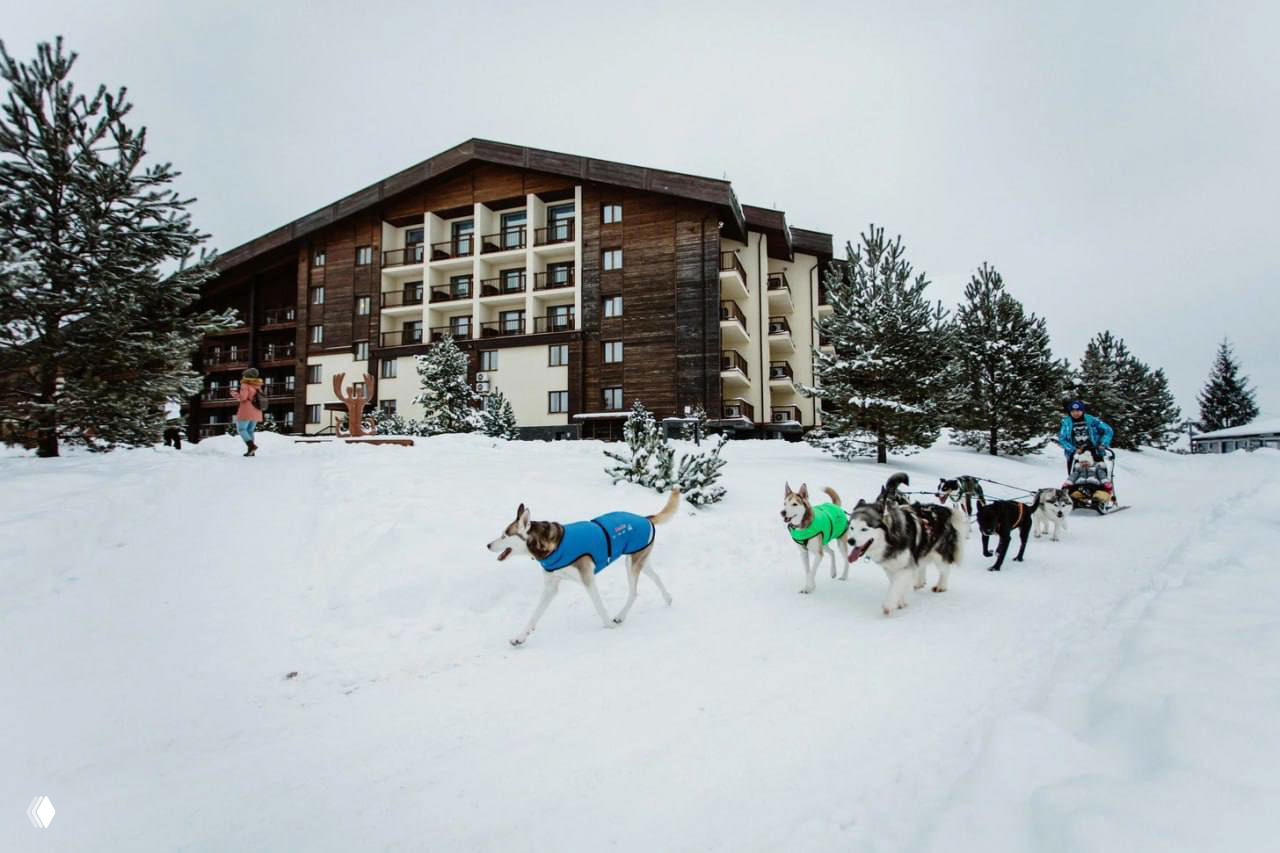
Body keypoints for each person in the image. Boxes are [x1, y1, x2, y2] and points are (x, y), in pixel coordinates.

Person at [1058, 400, 1113, 475]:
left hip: (1094, 450)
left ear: (1082, 411)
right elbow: (1062, 438)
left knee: (1100, 473)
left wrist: (1103, 444)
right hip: (1075, 453)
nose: (1075, 413)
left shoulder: (1091, 420)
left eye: (1078, 411)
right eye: (1073, 411)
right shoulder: (1066, 422)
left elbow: (1108, 430)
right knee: (1074, 475)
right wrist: (1073, 449)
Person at [234, 368, 265, 457]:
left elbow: (243, 398)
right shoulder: (258, 385)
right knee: (250, 430)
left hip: (247, 410)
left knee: (242, 429)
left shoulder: (245, 384)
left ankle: (251, 446)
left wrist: (235, 394)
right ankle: (251, 451)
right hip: (257, 410)